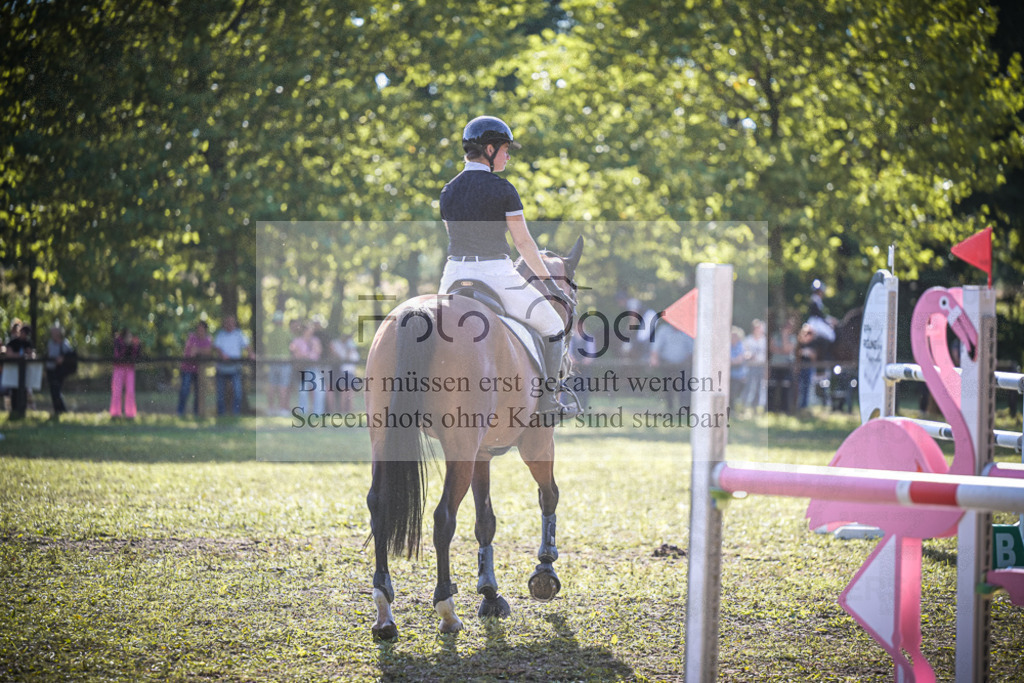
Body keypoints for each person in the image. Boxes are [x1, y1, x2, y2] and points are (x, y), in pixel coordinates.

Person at [437, 115, 575, 415]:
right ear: (489, 149)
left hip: (453, 274)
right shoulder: (503, 189)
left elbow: (454, 236)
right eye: (505, 149)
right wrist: (550, 284)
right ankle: (549, 404)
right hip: (496, 274)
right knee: (553, 327)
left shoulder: (447, 191)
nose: (508, 155)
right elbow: (523, 244)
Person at [649, 316, 694, 412]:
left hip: (683, 364)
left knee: (684, 386)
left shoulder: (686, 332)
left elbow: (692, 349)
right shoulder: (664, 330)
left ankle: (684, 408)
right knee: (668, 386)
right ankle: (670, 407)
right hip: (667, 363)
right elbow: (656, 347)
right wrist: (654, 358)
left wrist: (689, 361)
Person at [213, 315, 251, 416]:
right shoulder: (220, 335)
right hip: (222, 368)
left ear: (234, 324)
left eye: (231, 322)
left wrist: (251, 354)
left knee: (237, 392)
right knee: (220, 393)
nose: (229, 325)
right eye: (227, 322)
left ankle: (236, 413)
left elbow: (247, 345)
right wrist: (222, 355)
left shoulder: (239, 334)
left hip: (235, 367)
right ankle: (221, 413)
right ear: (225, 324)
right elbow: (217, 348)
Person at [177, 321, 212, 417]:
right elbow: (191, 353)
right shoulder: (191, 337)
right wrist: (202, 351)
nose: (200, 331)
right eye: (198, 328)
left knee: (198, 392)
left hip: (199, 370)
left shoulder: (208, 340)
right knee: (185, 390)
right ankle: (180, 411)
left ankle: (196, 412)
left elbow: (208, 352)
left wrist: (198, 350)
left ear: (205, 330)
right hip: (187, 368)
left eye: (202, 329)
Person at [290, 320, 323, 414]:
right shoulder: (297, 341)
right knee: (303, 391)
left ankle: (318, 412)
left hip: (314, 368)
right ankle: (303, 411)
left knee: (320, 390)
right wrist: (308, 355)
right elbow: (297, 354)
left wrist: (306, 355)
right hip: (302, 369)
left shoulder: (315, 340)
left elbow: (318, 352)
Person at [264, 311, 292, 416]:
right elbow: (293, 345)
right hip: (284, 362)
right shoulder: (286, 333)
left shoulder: (270, 334)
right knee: (283, 386)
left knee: (272, 385)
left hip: (272, 362)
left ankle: (270, 408)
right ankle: (282, 409)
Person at [45, 322, 75, 421]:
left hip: (59, 371)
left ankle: (62, 410)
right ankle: (57, 410)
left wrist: (62, 358)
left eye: (54, 332)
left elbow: (70, 355)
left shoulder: (65, 343)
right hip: (50, 369)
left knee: (57, 390)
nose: (52, 334)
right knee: (53, 390)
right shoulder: (50, 343)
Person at [110, 327, 141, 419]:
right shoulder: (118, 342)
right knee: (117, 391)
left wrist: (135, 346)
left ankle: (130, 414)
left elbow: (136, 356)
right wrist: (127, 345)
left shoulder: (134, 342)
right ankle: (115, 413)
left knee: (130, 391)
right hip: (118, 368)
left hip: (130, 369)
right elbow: (119, 355)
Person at [329, 331, 360, 413]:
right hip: (344, 372)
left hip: (351, 372)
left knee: (350, 393)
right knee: (344, 393)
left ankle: (349, 410)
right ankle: (343, 411)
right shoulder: (343, 349)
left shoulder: (352, 349)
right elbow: (346, 357)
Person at [742, 319, 768, 413]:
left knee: (760, 387)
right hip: (751, 366)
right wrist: (749, 355)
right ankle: (745, 406)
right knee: (749, 386)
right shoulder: (748, 340)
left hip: (761, 366)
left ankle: (757, 407)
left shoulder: (764, 340)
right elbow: (744, 353)